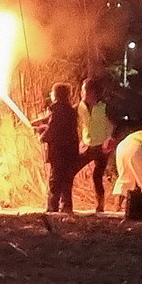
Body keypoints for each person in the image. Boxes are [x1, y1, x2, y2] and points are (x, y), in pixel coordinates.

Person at [34, 82, 80, 213]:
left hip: (59, 151)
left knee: (56, 180)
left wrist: (42, 137)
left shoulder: (57, 109)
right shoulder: (70, 110)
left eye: (52, 93)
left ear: (57, 95)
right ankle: (66, 206)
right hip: (71, 151)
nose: (51, 95)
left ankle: (52, 207)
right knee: (67, 180)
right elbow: (55, 125)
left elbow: (53, 129)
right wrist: (41, 126)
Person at [76, 78, 116, 213]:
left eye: (84, 90)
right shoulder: (80, 106)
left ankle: (100, 205)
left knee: (97, 175)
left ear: (92, 92)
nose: (81, 93)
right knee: (72, 170)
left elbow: (119, 124)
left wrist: (112, 138)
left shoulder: (106, 107)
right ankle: (66, 203)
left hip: (102, 147)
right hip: (87, 145)